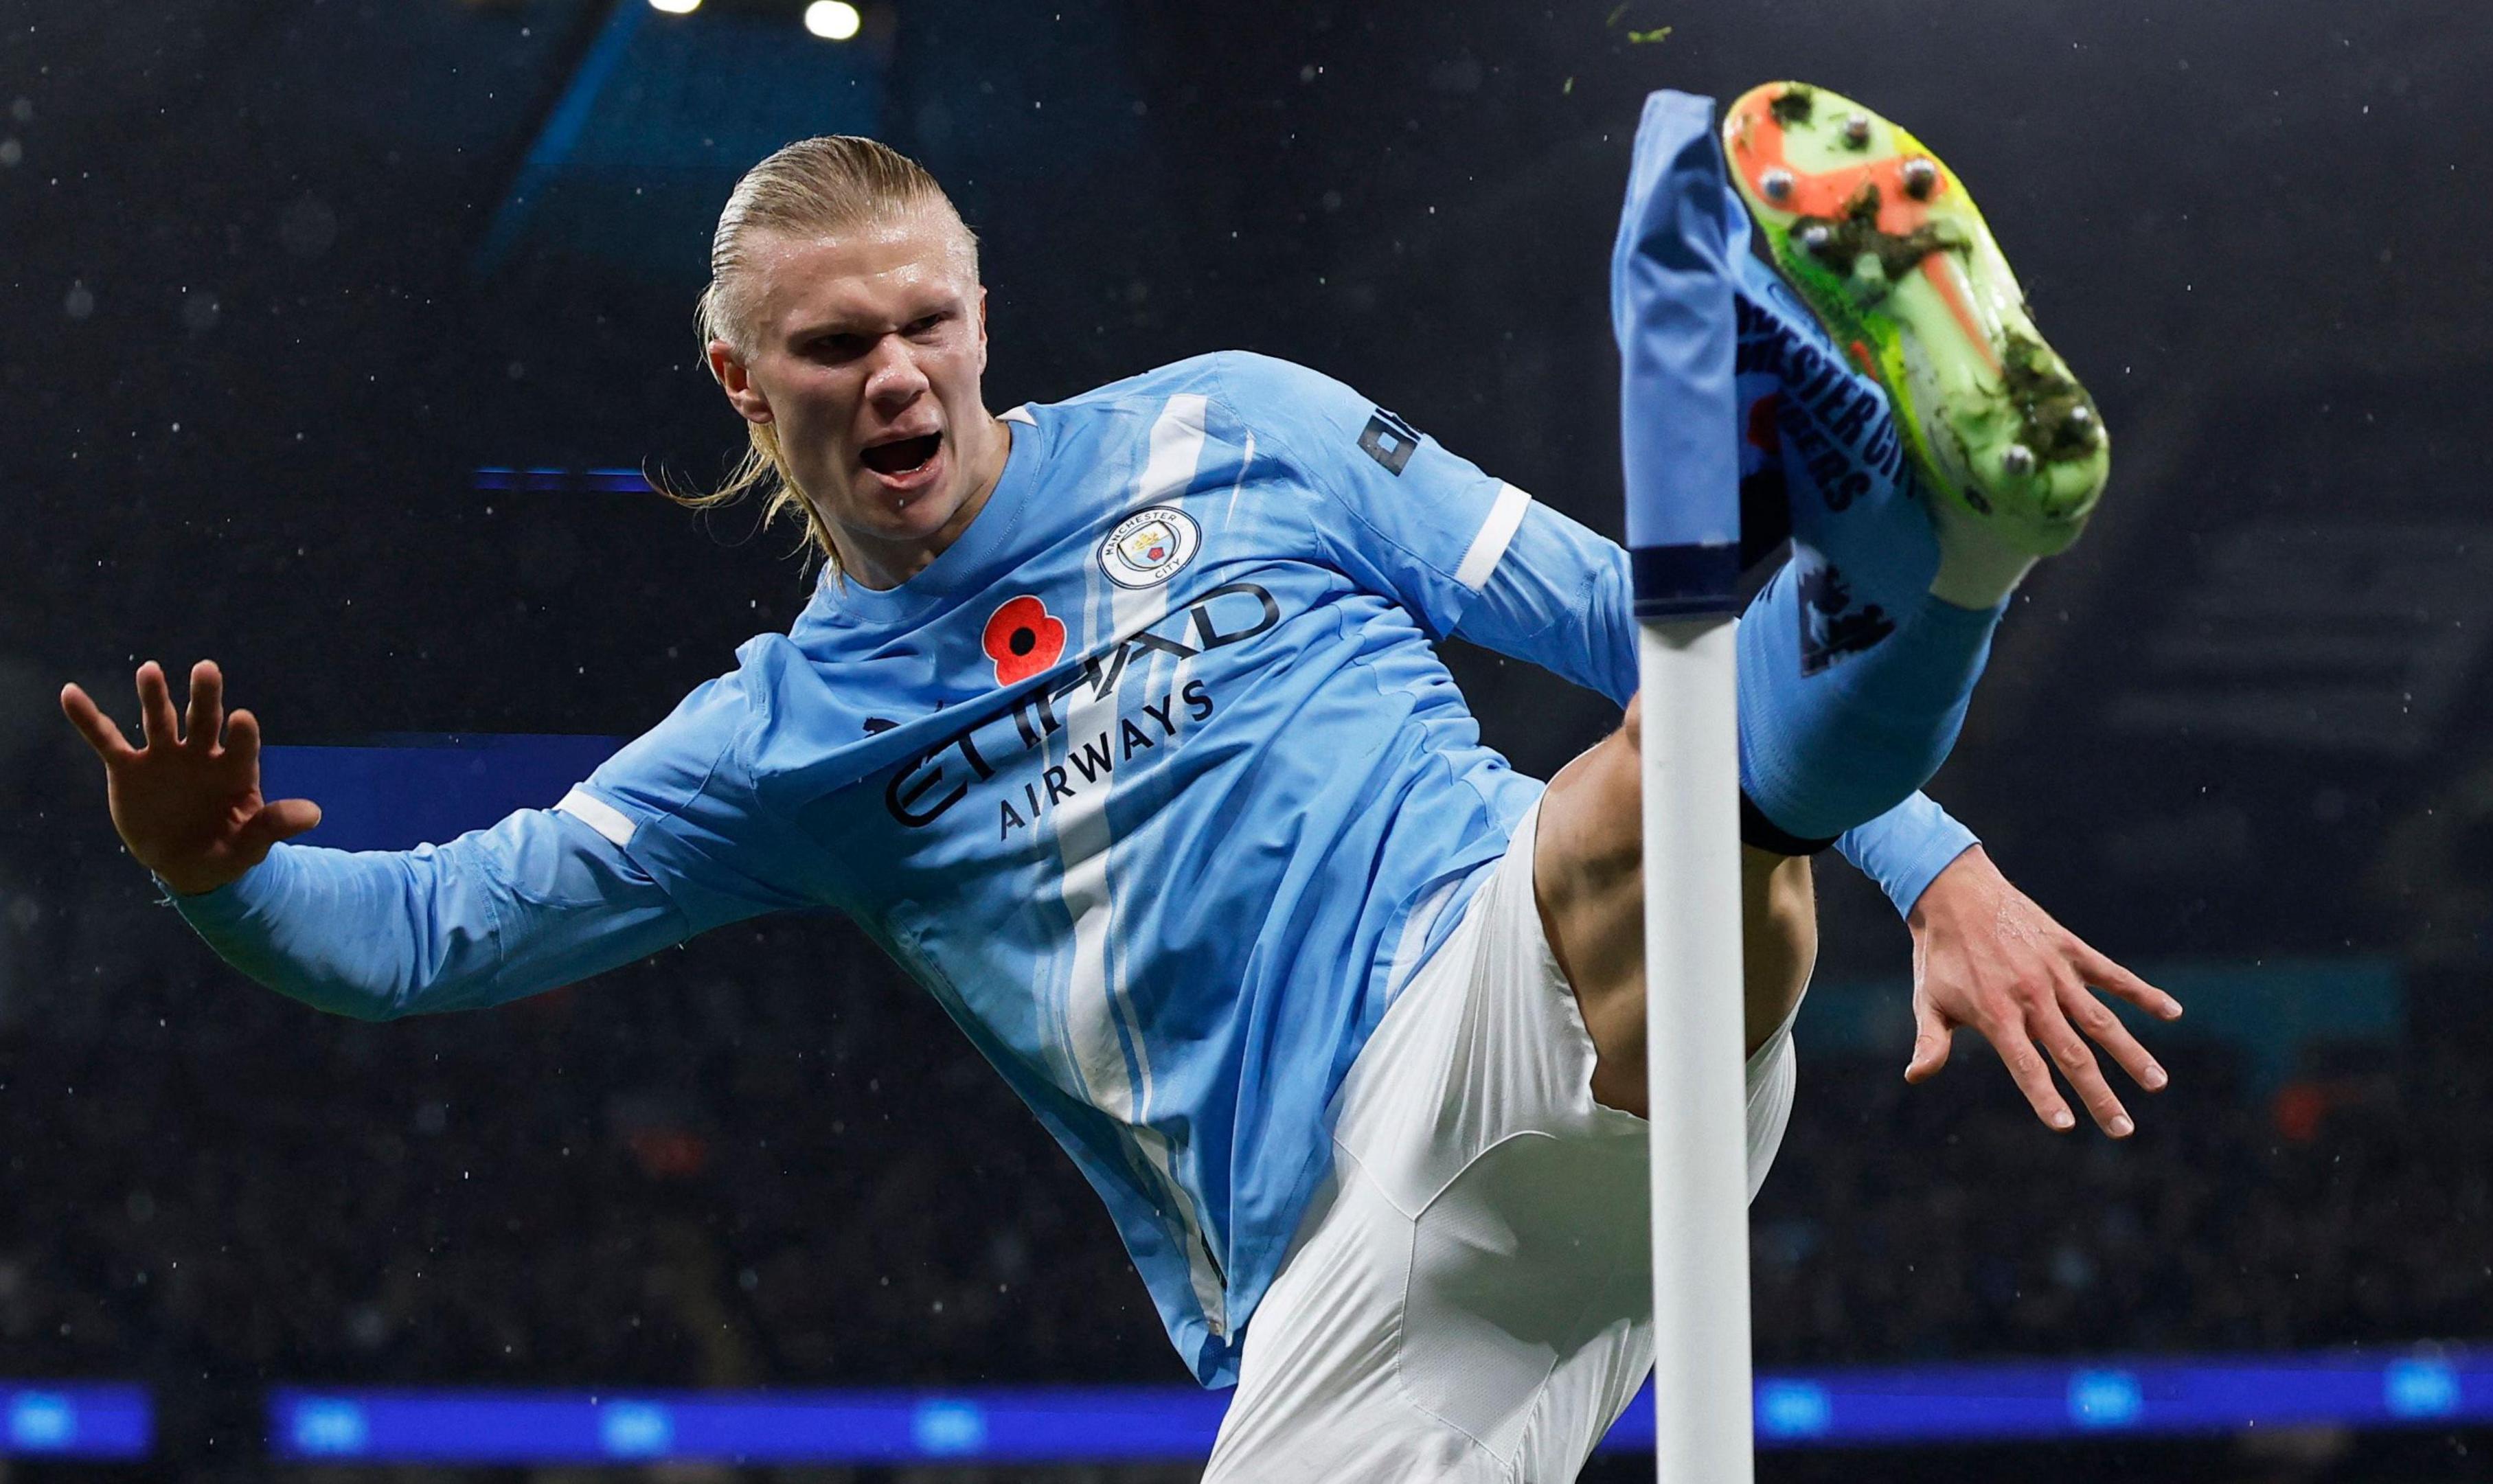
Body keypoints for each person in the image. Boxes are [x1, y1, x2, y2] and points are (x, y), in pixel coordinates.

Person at [60, 82, 2177, 1481]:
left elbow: (1623, 605)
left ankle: (1947, 558)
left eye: (927, 322)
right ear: (742, 380)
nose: (895, 374)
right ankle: (1914, 594)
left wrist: (1942, 859)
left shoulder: (1234, 426)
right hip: (1359, 1279)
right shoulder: (781, 738)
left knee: (1679, 814)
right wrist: (214, 879)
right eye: (833, 349)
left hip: (1495, 997)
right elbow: (434, 926)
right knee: (1696, 829)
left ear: (985, 316)